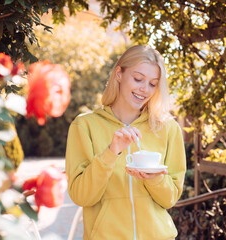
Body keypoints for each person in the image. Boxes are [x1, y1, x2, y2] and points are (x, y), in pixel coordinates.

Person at [65, 45, 186, 240]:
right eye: (138, 79)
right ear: (119, 73)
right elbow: (81, 196)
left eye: (153, 83)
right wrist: (111, 153)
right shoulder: (84, 125)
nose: (144, 89)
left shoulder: (168, 128)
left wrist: (153, 178)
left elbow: (170, 198)